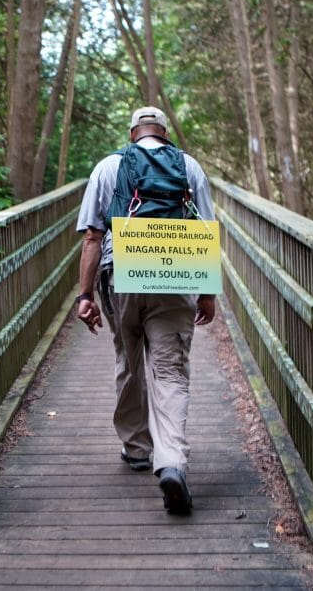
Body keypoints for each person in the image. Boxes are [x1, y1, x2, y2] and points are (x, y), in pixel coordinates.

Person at [75, 106, 216, 514]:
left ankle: (138, 447)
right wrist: (207, 293)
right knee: (169, 371)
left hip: (121, 275)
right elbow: (205, 230)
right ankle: (171, 462)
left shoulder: (107, 167)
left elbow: (91, 236)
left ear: (132, 132)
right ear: (165, 133)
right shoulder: (189, 167)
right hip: (174, 278)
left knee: (129, 358)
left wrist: (85, 296)